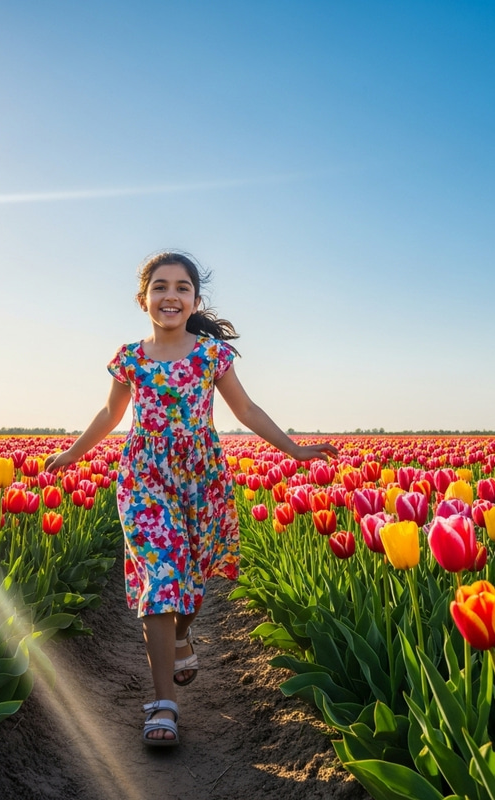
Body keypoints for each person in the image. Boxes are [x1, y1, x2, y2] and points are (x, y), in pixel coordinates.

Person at [44, 251, 338, 747]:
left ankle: (182, 635)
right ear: (144, 300)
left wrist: (295, 448)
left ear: (195, 300)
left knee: (192, 581)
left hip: (201, 478)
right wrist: (73, 454)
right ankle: (164, 705)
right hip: (144, 477)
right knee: (160, 579)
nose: (171, 296)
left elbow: (245, 409)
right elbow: (110, 415)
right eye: (160, 287)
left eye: (182, 287)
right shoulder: (130, 358)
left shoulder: (211, 355)